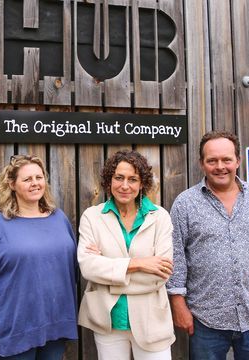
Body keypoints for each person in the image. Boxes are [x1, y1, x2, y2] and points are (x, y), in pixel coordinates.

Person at [166, 130, 249, 360]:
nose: (220, 166)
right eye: (212, 160)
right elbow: (175, 254)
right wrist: (177, 302)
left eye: (226, 159)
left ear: (237, 161)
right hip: (205, 319)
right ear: (202, 163)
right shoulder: (185, 204)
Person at [0, 154, 78, 360]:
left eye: (39, 177)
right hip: (15, 325)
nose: (35, 183)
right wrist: (7, 294)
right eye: (27, 179)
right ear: (12, 184)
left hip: (55, 320)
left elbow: (69, 263)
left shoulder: (59, 218)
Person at [77, 150, 175, 360]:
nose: (124, 185)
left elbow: (161, 274)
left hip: (151, 321)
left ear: (142, 184)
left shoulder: (159, 217)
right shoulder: (92, 217)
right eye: (119, 178)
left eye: (133, 179)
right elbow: (88, 267)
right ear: (109, 180)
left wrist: (108, 272)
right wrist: (139, 263)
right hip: (109, 321)